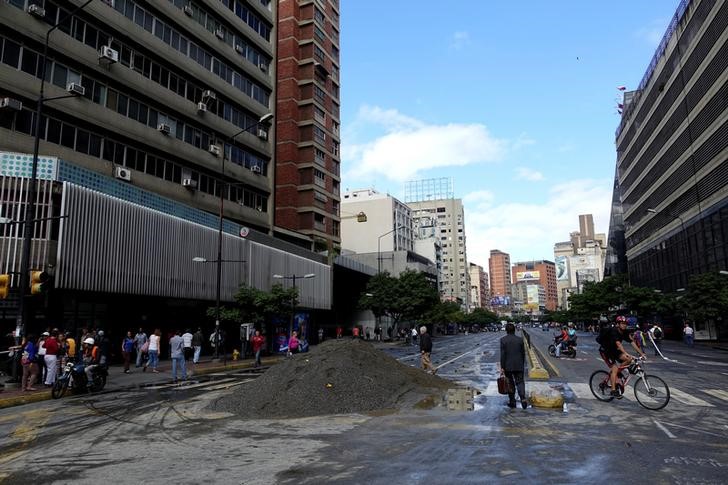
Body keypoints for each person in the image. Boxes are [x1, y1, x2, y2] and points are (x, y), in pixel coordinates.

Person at [601, 316, 647, 398]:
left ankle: (618, 373)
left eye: (625, 324)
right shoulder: (614, 331)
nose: (624, 325)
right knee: (614, 369)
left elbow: (632, 342)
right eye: (622, 323)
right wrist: (626, 353)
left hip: (615, 351)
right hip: (606, 351)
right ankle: (613, 390)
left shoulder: (625, 332)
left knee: (628, 359)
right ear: (618, 324)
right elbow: (618, 344)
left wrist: (641, 353)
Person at [500, 323, 527, 409]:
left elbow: (503, 355)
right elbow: (523, 353)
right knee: (520, 382)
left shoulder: (503, 340)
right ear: (514, 330)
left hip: (508, 366)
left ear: (506, 330)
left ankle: (512, 402)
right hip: (519, 365)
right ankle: (522, 398)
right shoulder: (520, 340)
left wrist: (502, 367)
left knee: (510, 384)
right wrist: (522, 363)